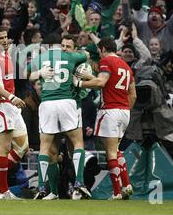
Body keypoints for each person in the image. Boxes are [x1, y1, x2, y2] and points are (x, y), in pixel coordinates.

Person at [28, 33, 90, 200]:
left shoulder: (41, 57)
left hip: (47, 104)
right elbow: (87, 54)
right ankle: (79, 182)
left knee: (45, 147)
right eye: (63, 46)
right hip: (67, 102)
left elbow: (27, 75)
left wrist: (40, 73)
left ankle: (42, 186)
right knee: (77, 142)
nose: (64, 48)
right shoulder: (72, 56)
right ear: (59, 44)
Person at [76, 37, 137, 200]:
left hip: (110, 110)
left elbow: (101, 82)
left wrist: (79, 84)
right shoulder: (126, 66)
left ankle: (117, 192)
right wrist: (125, 109)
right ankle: (126, 185)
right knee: (116, 150)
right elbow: (133, 94)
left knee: (110, 153)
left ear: (102, 49)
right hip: (124, 111)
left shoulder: (106, 62)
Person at [0, 25, 29, 200]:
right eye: (0, 38)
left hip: (10, 105)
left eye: (6, 37)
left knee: (23, 146)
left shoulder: (5, 54)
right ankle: (3, 192)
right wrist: (12, 97)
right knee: (4, 147)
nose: (5, 41)